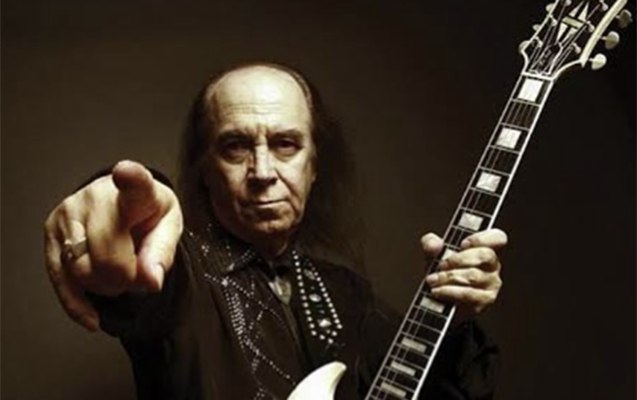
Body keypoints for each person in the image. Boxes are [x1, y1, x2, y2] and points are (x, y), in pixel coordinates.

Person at [44, 62, 507, 399]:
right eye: (235, 146)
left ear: (314, 165)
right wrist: (118, 209)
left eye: (286, 144)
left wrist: (455, 318)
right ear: (204, 169)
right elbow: (136, 263)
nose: (263, 171)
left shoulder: (349, 292)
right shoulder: (177, 274)